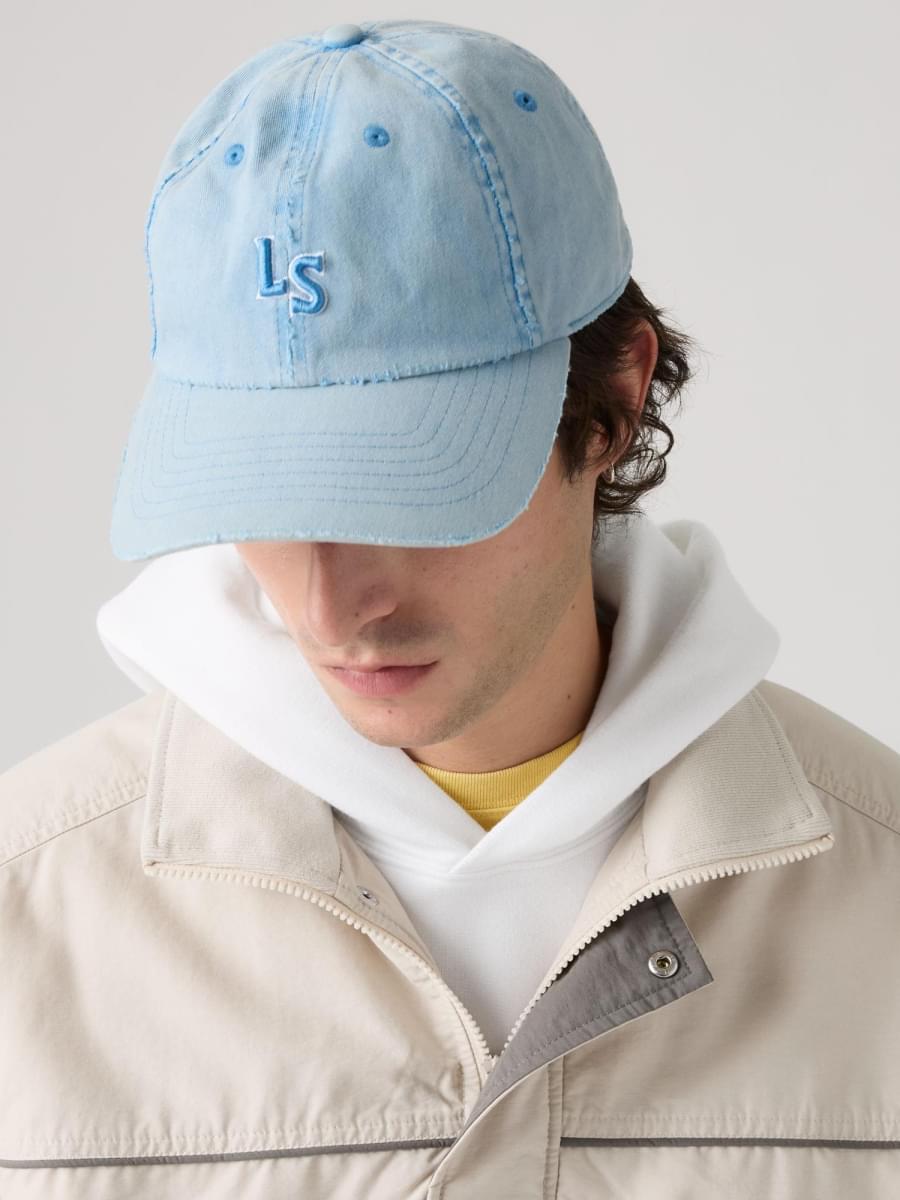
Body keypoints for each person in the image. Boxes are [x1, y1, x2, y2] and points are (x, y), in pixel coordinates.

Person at [2, 17, 898, 1199]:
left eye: (408, 490)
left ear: (614, 402)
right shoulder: (26, 914)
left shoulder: (879, 908)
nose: (334, 604)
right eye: (262, 492)